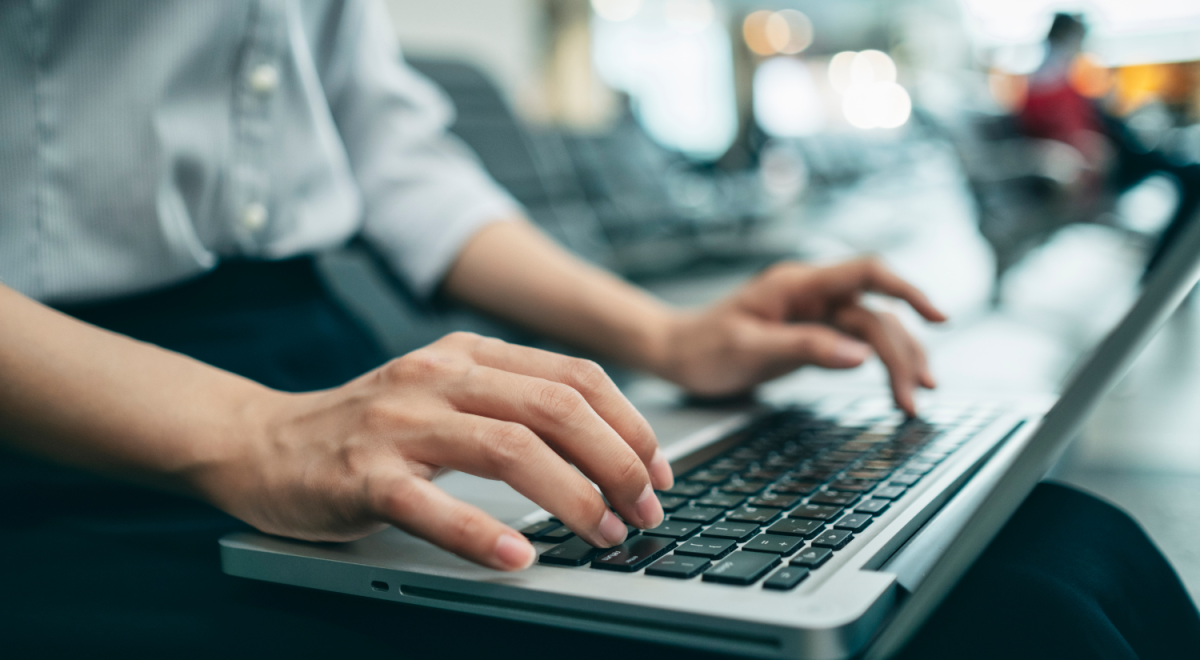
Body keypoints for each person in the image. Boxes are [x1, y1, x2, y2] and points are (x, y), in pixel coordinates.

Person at [0, 2, 1197, 658]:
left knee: (1055, 551)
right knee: (996, 626)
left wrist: (668, 339)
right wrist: (252, 434)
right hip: (67, 423)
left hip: (324, 384)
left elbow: (385, 149)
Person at [1018, 12, 1200, 276]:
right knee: (1191, 176)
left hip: (1110, 155)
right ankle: (1162, 269)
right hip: (1099, 165)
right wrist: (1085, 147)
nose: (1081, 45)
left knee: (1187, 171)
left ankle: (1164, 266)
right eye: (1079, 37)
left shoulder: (1062, 75)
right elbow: (1051, 130)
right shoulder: (1047, 77)